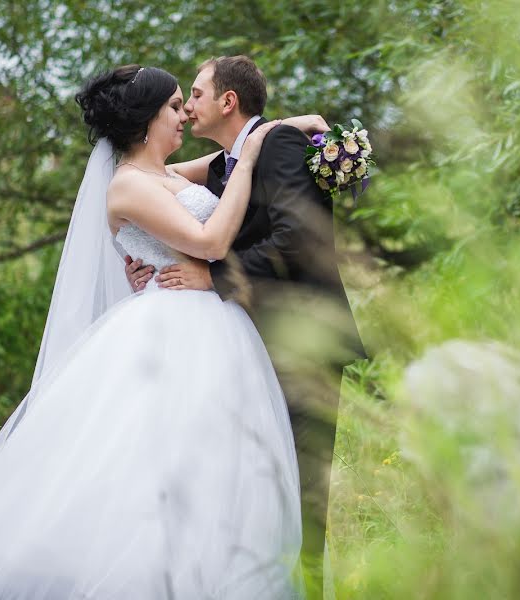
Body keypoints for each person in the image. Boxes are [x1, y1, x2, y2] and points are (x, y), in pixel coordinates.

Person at [0, 64, 326, 599]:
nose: (185, 112)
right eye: (175, 105)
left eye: (187, 100)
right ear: (147, 121)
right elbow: (212, 240)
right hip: (171, 328)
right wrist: (260, 145)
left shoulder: (167, 175)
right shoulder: (127, 185)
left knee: (216, 463)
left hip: (216, 328)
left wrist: (281, 128)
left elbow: (228, 157)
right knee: (152, 459)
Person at [124, 56, 366, 597]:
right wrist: (135, 246)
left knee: (302, 491)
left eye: (196, 93)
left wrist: (212, 276)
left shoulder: (277, 148)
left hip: (304, 342)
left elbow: (296, 242)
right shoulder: (227, 163)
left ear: (228, 102)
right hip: (251, 344)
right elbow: (146, 185)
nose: (187, 106)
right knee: (255, 487)